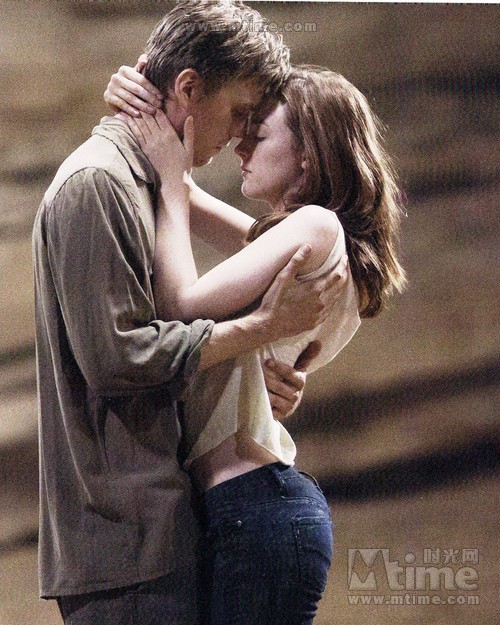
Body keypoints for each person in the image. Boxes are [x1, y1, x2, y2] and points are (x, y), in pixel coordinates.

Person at [32, 4, 345, 625]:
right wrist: (257, 331)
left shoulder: (146, 182)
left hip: (158, 533)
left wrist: (254, 370)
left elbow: (259, 259)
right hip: (126, 542)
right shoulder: (100, 183)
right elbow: (119, 358)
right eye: (239, 112)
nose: (240, 135)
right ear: (190, 88)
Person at [105, 63, 406, 624]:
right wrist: (137, 94)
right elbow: (189, 196)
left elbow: (182, 306)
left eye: (259, 134)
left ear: (308, 155)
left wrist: (170, 182)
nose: (241, 145)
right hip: (248, 509)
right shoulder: (312, 242)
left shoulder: (316, 228)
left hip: (256, 507)